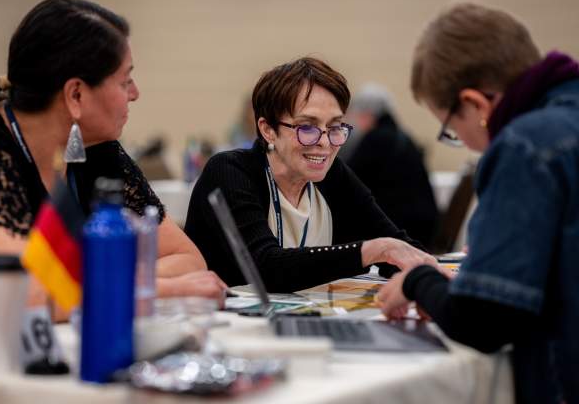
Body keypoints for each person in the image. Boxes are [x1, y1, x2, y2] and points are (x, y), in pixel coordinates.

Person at [0, 0, 225, 331]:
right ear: (76, 95)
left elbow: (189, 261)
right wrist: (166, 289)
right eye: (124, 80)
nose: (135, 93)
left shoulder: (98, 150)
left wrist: (92, 284)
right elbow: (26, 296)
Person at [377, 2, 579, 403]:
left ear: (477, 105)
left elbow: (484, 320)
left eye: (452, 130)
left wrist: (418, 282)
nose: (463, 142)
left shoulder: (526, 145)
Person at [185, 57, 437, 293]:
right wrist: (373, 250)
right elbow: (265, 268)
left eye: (335, 126)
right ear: (268, 130)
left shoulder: (332, 174)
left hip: (308, 323)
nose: (325, 143)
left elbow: (397, 245)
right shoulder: (229, 171)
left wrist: (423, 272)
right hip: (233, 330)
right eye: (307, 127)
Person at [339, 83, 439, 249]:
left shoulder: (376, 139)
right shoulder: (402, 137)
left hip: (403, 229)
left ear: (367, 115)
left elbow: (346, 180)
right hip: (424, 225)